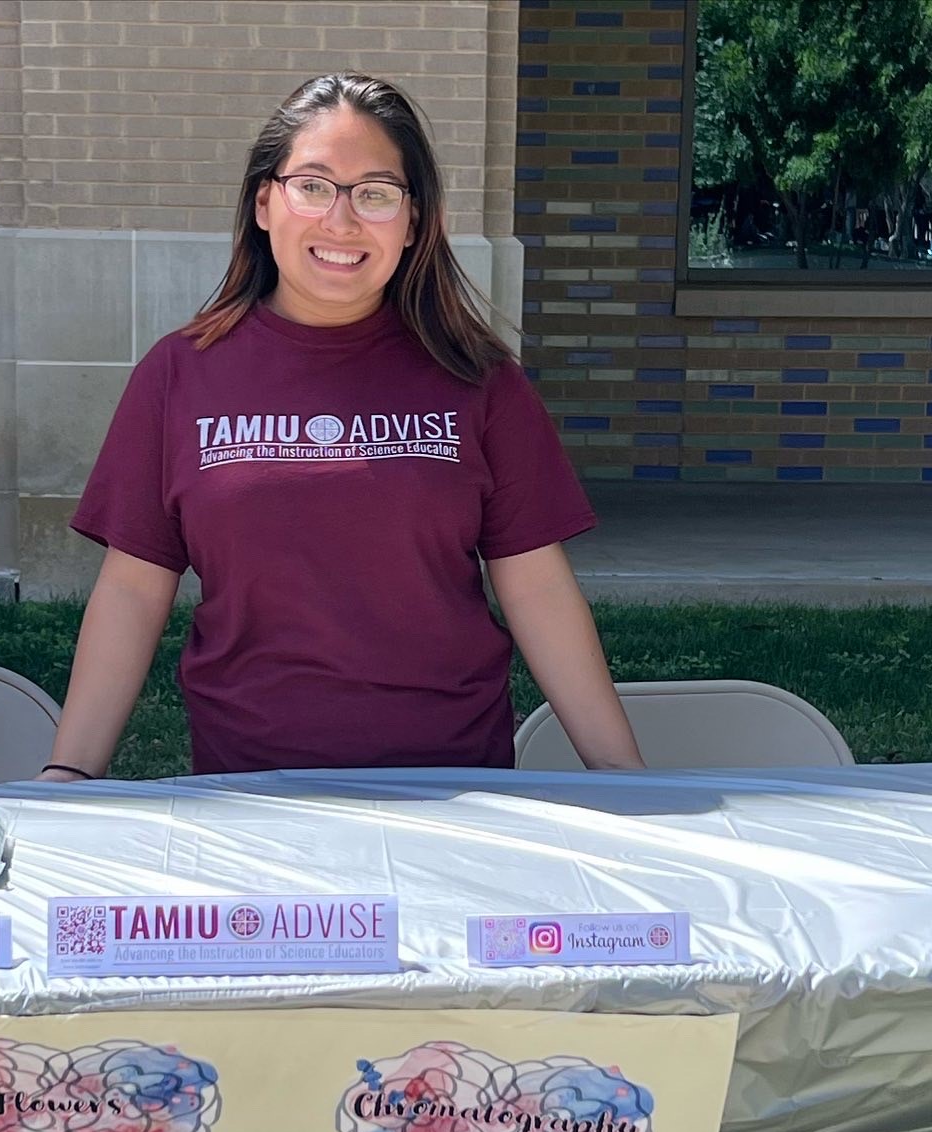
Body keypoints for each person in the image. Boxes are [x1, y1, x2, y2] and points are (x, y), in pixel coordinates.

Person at [38, 72, 643, 784]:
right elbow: (134, 589)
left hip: (453, 789)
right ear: (265, 202)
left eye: (377, 193)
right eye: (314, 185)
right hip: (248, 791)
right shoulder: (179, 374)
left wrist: (622, 773)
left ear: (415, 222)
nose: (343, 221)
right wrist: (70, 772)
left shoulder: (479, 378)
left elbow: (536, 586)